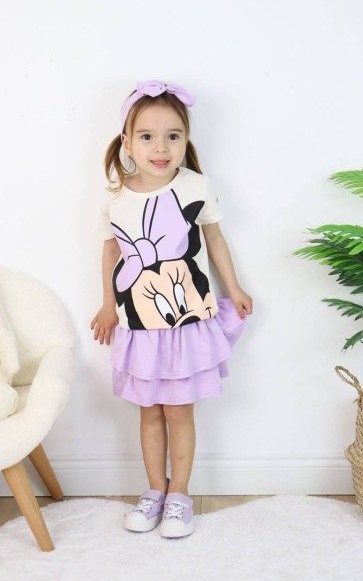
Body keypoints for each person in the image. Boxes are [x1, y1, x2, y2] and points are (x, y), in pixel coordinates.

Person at [90, 79, 253, 538]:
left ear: (186, 140)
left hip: (186, 322)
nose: (160, 148)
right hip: (139, 325)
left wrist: (235, 287)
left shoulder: (195, 187)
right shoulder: (116, 196)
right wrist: (108, 305)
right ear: (127, 142)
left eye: (172, 136)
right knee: (149, 412)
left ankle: (180, 494)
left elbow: (215, 239)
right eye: (147, 136)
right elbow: (111, 252)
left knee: (179, 412)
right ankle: (155, 490)